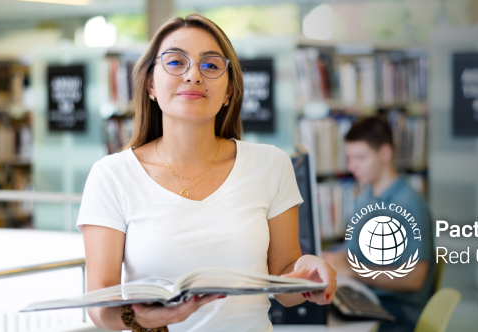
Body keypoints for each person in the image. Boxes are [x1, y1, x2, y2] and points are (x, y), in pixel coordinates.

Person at [76, 14, 336, 332]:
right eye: (175, 62)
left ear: (228, 91)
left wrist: (306, 275)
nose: (193, 76)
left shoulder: (271, 165)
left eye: (211, 66)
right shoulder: (112, 175)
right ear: (150, 84)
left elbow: (285, 289)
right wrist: (143, 318)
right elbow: (101, 308)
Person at [323, 117, 434, 332]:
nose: (351, 166)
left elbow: (415, 278)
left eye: (360, 157)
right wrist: (326, 259)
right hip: (368, 296)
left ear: (385, 153)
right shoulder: (364, 198)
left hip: (400, 311)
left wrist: (354, 272)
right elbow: (350, 253)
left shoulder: (409, 204)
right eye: (349, 157)